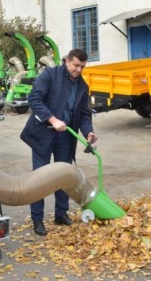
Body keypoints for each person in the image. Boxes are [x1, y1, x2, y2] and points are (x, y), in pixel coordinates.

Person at [20, 48, 97, 236]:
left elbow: (85, 114)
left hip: (66, 136)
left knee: (64, 176)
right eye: (76, 65)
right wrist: (53, 120)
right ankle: (37, 219)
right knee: (40, 178)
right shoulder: (50, 75)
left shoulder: (82, 86)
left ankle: (60, 214)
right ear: (67, 61)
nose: (79, 70)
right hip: (44, 133)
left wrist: (89, 132)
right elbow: (34, 99)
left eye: (83, 67)